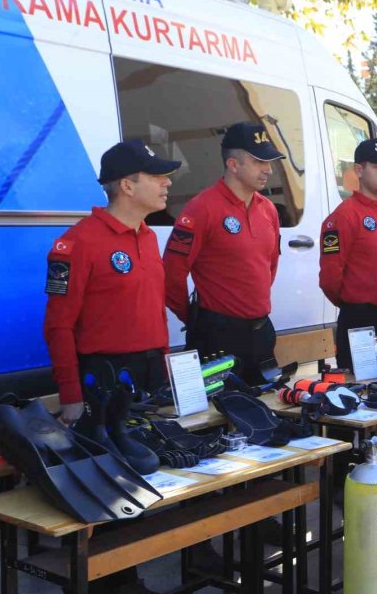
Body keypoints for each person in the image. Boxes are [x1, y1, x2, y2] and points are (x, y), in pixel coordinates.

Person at [44, 139, 181, 594]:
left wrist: (165, 372)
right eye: (157, 176)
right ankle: (109, 584)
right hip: (98, 385)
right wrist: (70, 396)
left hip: (139, 384)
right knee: (106, 489)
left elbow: (152, 311)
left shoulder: (148, 237)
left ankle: (126, 577)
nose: (167, 184)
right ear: (127, 185)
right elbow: (58, 326)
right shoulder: (77, 243)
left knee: (138, 482)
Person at [318, 137, 377, 495]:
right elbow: (330, 279)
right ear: (358, 171)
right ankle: (343, 482)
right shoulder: (342, 217)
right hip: (360, 320)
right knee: (354, 401)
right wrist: (356, 304)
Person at [163, 122, 284, 384]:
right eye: (259, 161)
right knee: (216, 408)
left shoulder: (268, 210)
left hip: (261, 333)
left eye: (269, 161)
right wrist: (195, 319)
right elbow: (171, 274)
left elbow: (270, 266)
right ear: (233, 164)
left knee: (265, 405)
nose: (268, 169)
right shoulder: (201, 209)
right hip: (217, 336)